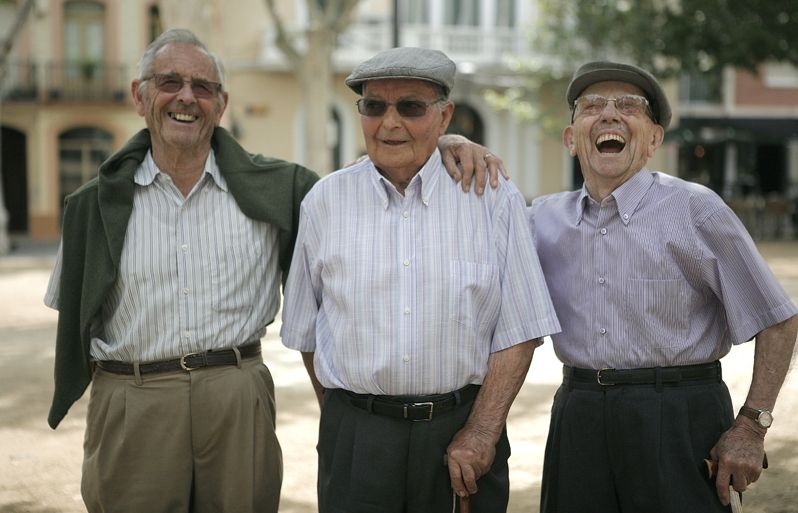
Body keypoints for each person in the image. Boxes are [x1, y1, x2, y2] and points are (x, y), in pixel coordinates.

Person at [43, 29, 507, 513]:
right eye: (169, 82)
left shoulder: (282, 187)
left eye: (202, 87)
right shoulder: (92, 205)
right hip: (133, 399)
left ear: (221, 104)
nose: (186, 97)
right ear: (140, 96)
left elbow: (378, 174)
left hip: (236, 398)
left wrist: (447, 140)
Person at [452, 61, 798, 513]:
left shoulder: (697, 210)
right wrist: (450, 142)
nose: (610, 115)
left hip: (680, 416)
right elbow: (464, 230)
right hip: (578, 414)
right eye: (592, 106)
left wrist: (752, 426)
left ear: (654, 139)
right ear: (571, 138)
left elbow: (778, 320)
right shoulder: (538, 221)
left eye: (628, 106)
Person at [280, 46, 560, 513]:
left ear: (444, 115)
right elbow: (308, 334)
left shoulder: (492, 198)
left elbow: (521, 329)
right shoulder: (324, 203)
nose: (389, 123)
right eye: (374, 106)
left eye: (409, 106)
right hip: (357, 439)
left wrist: (483, 431)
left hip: (461, 433)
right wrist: (348, 422)